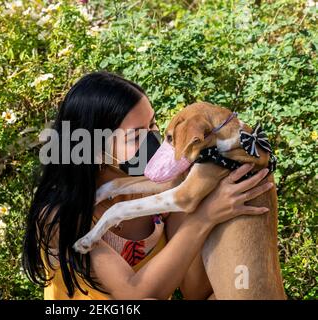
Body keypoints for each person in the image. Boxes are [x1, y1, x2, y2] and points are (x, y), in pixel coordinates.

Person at [22, 71, 273, 300]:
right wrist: (205, 218)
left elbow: (195, 290)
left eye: (152, 124)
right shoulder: (60, 214)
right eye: (135, 135)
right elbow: (134, 293)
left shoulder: (160, 198)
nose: (151, 139)